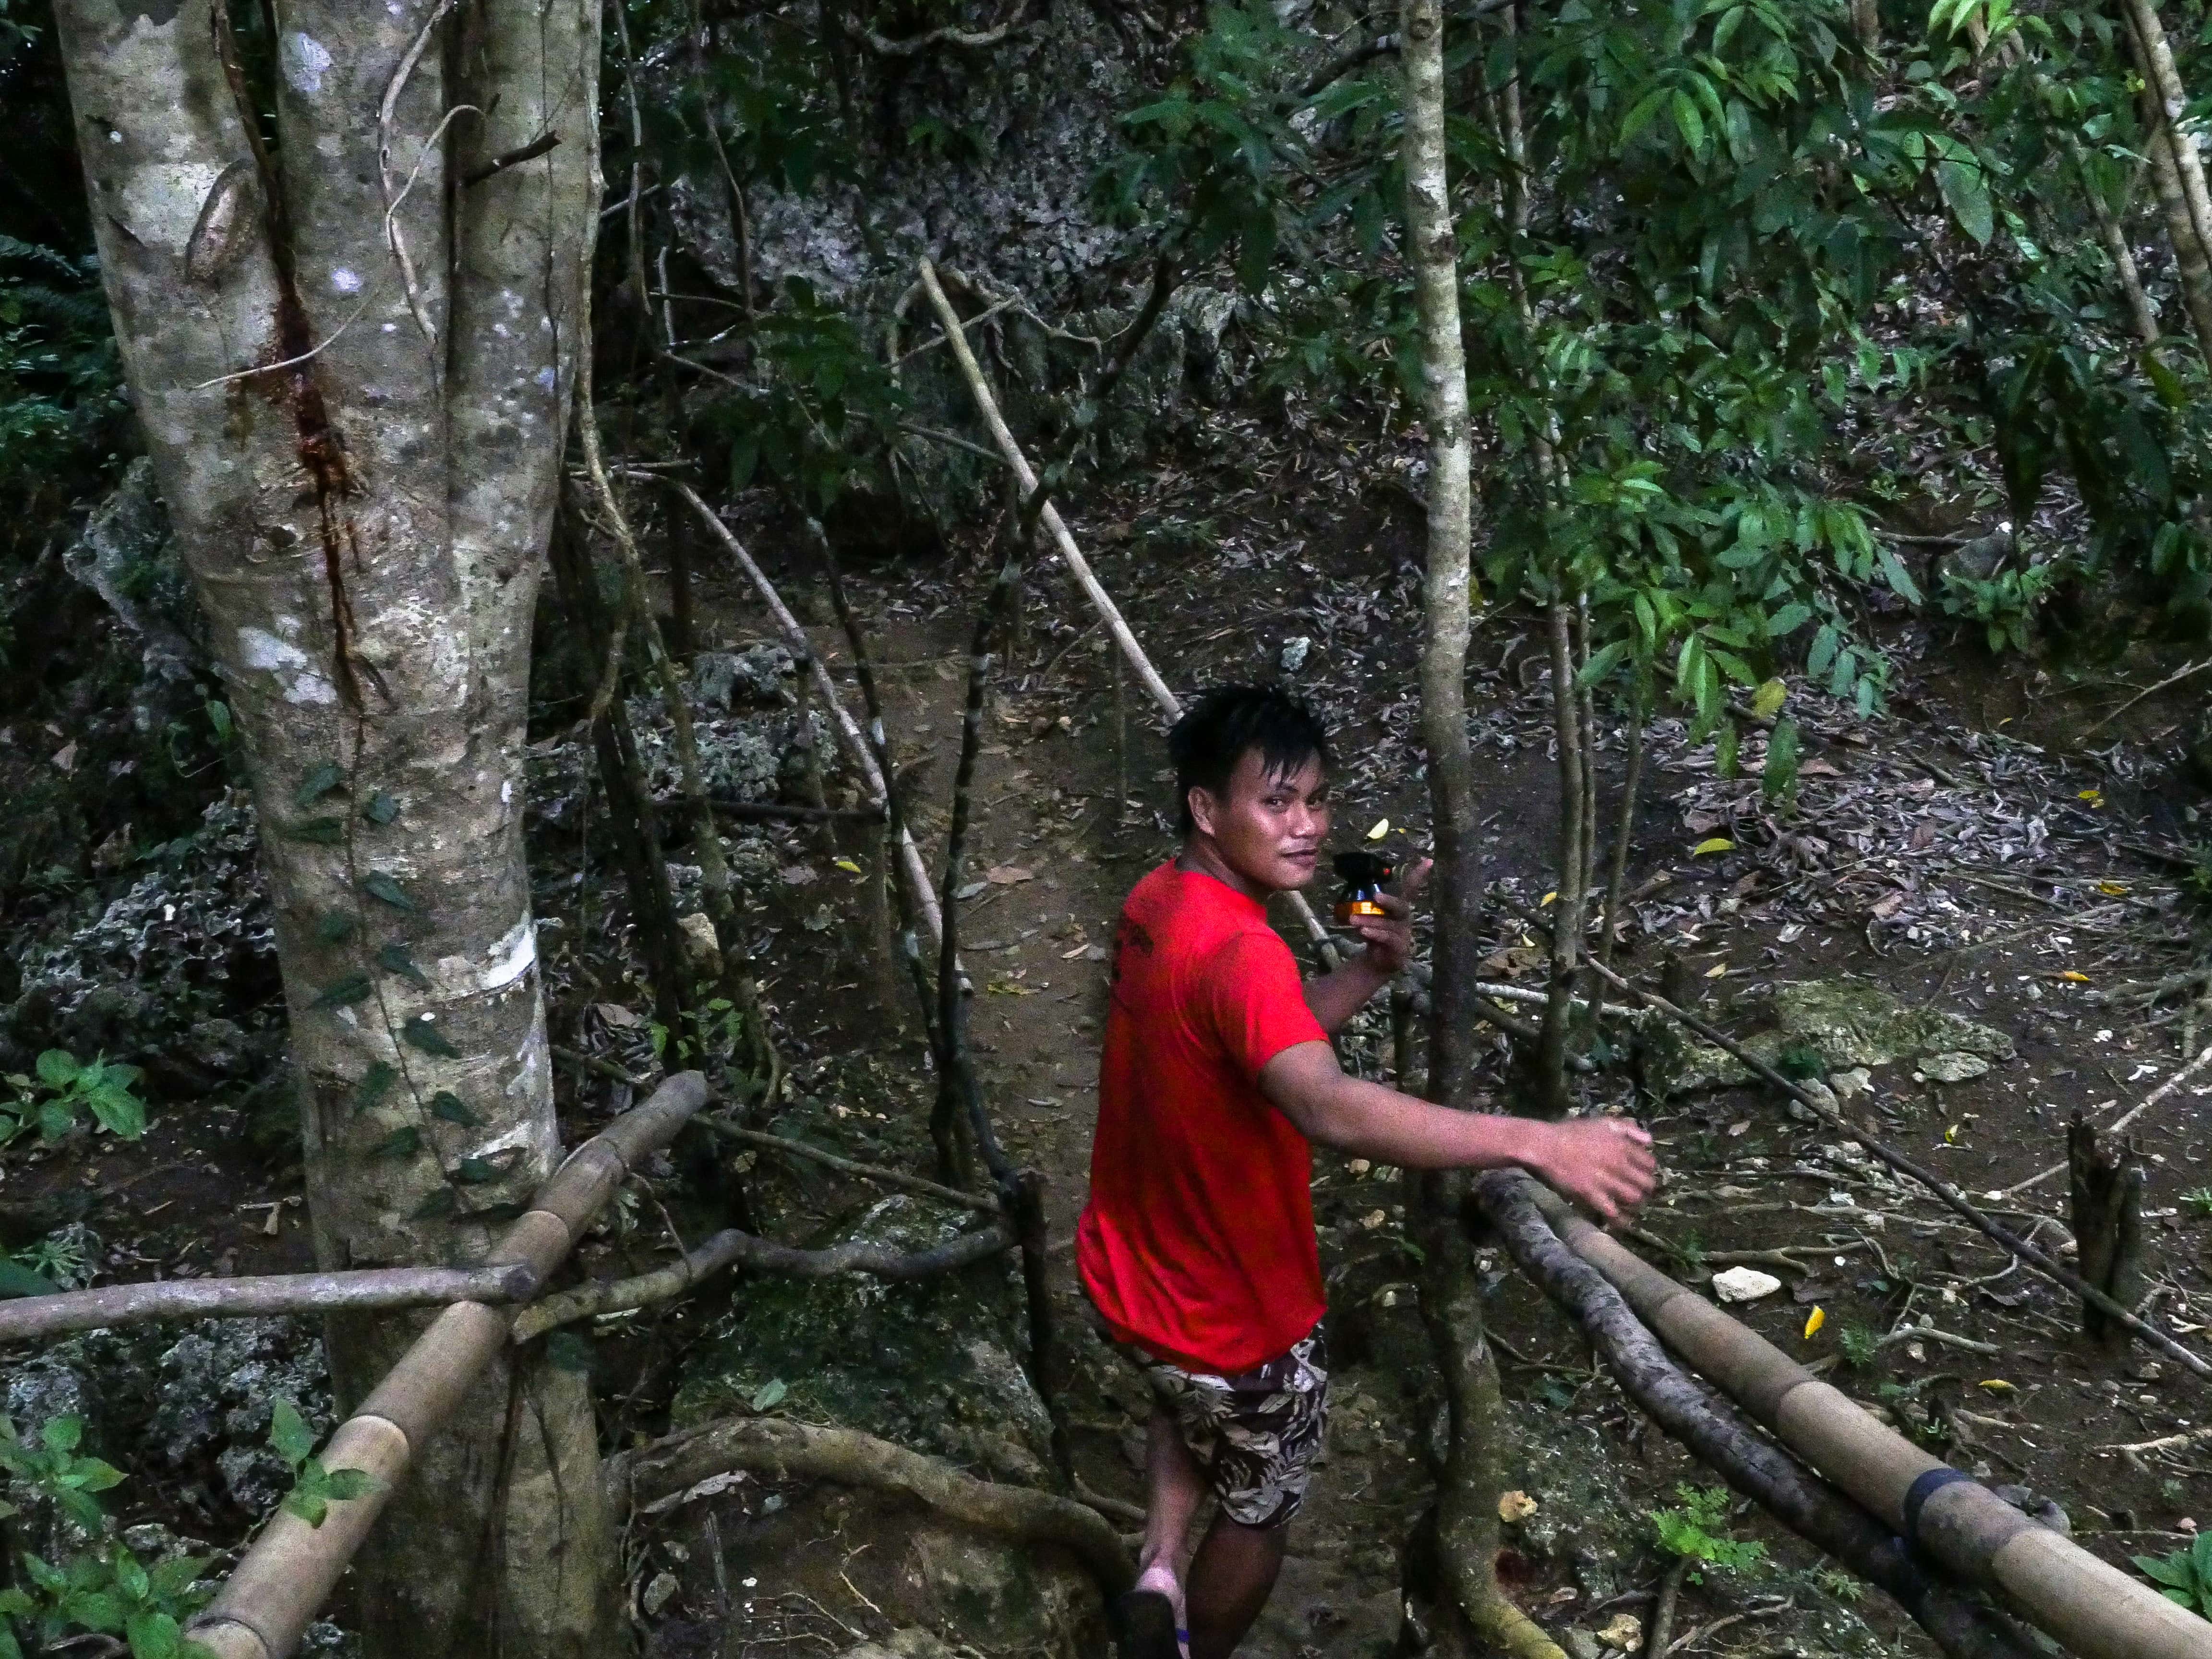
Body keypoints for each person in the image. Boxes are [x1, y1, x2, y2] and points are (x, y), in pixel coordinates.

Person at [1076, 685, 1658, 1659]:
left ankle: (1160, 1567)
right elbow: (1325, 1104)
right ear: (1206, 810)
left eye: (1317, 800)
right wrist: (1539, 1140)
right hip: (1234, 1315)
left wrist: (1362, 977)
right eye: (1277, 803)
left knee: (1183, 1403)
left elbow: (1242, 1050)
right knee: (1262, 1502)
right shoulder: (1245, 952)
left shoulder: (1154, 904)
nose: (1307, 829)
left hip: (1131, 1271)